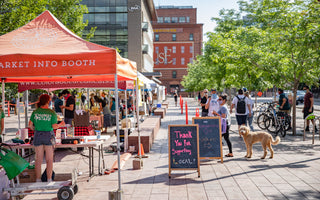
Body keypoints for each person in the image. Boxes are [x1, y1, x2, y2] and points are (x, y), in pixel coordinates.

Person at [28, 94, 65, 182]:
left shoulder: (35, 112)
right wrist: (61, 124)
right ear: (48, 101)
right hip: (49, 136)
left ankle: (38, 180)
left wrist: (36, 129)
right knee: (49, 159)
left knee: (38, 160)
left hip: (38, 135)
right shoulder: (51, 112)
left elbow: (30, 125)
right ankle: (49, 179)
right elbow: (54, 126)